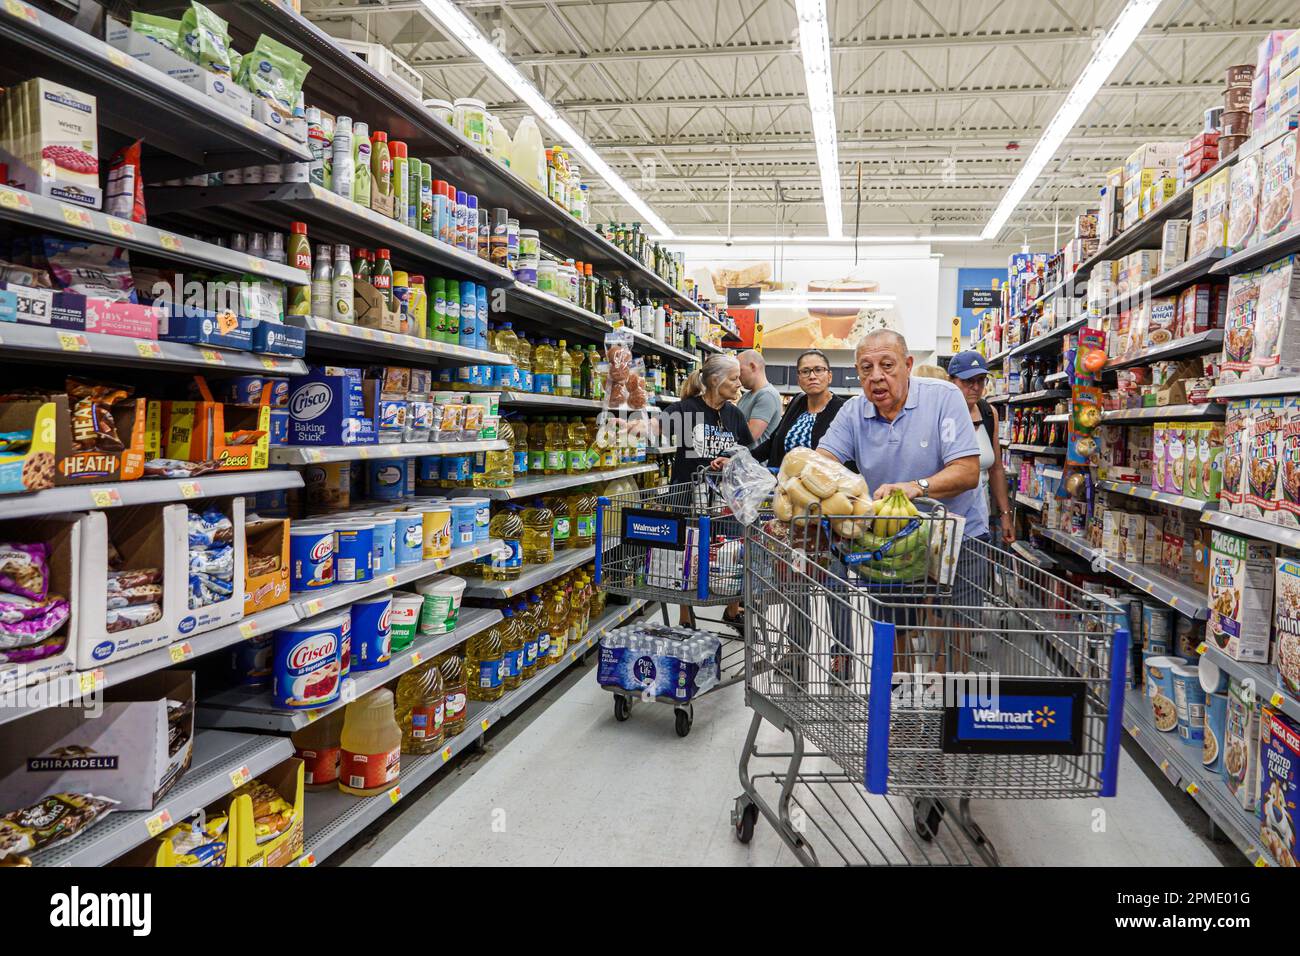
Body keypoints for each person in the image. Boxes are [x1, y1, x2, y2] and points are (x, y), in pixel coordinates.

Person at [947, 350, 1014, 546]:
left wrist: (1005, 514)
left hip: (979, 519)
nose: (975, 387)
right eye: (968, 381)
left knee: (975, 573)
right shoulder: (941, 414)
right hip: (945, 518)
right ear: (951, 381)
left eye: (981, 380)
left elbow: (996, 469)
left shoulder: (988, 412)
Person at [658, 353, 753, 486]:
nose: (739, 384)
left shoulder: (735, 415)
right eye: (734, 379)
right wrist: (631, 425)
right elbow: (655, 426)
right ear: (715, 381)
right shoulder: (686, 408)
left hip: (721, 498)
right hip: (686, 497)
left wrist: (732, 462)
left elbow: (747, 454)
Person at [750, 348, 847, 473]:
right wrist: (743, 458)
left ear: (829, 376)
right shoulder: (797, 402)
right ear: (799, 379)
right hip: (784, 485)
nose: (812, 376)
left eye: (818, 370)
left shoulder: (843, 409)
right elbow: (773, 442)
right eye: (805, 371)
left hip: (822, 487)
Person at [735, 349, 783, 445]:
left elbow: (751, 435)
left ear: (752, 366)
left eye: (740, 370)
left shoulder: (767, 395)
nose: (738, 375)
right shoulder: (746, 396)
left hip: (754, 459)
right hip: (739, 457)